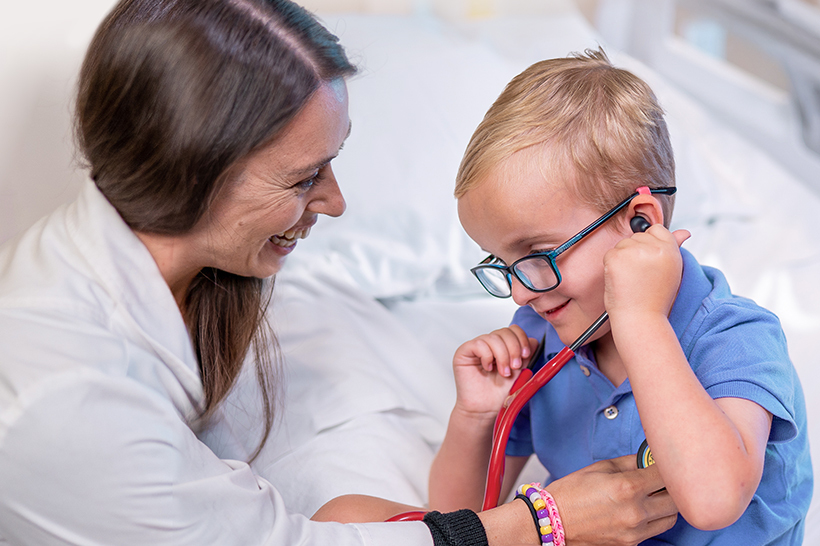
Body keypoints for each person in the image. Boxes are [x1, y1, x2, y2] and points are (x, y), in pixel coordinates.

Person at [0, 2, 678, 544]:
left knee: (347, 509)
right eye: (304, 177)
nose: (334, 202)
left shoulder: (163, 282)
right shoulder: (72, 400)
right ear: (194, 174)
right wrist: (543, 524)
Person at [429, 49, 812, 544]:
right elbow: (456, 523)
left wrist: (641, 319)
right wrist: (476, 417)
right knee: (345, 511)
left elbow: (714, 500)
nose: (522, 292)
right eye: (503, 263)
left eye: (539, 253)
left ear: (640, 224)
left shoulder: (737, 337)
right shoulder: (541, 336)